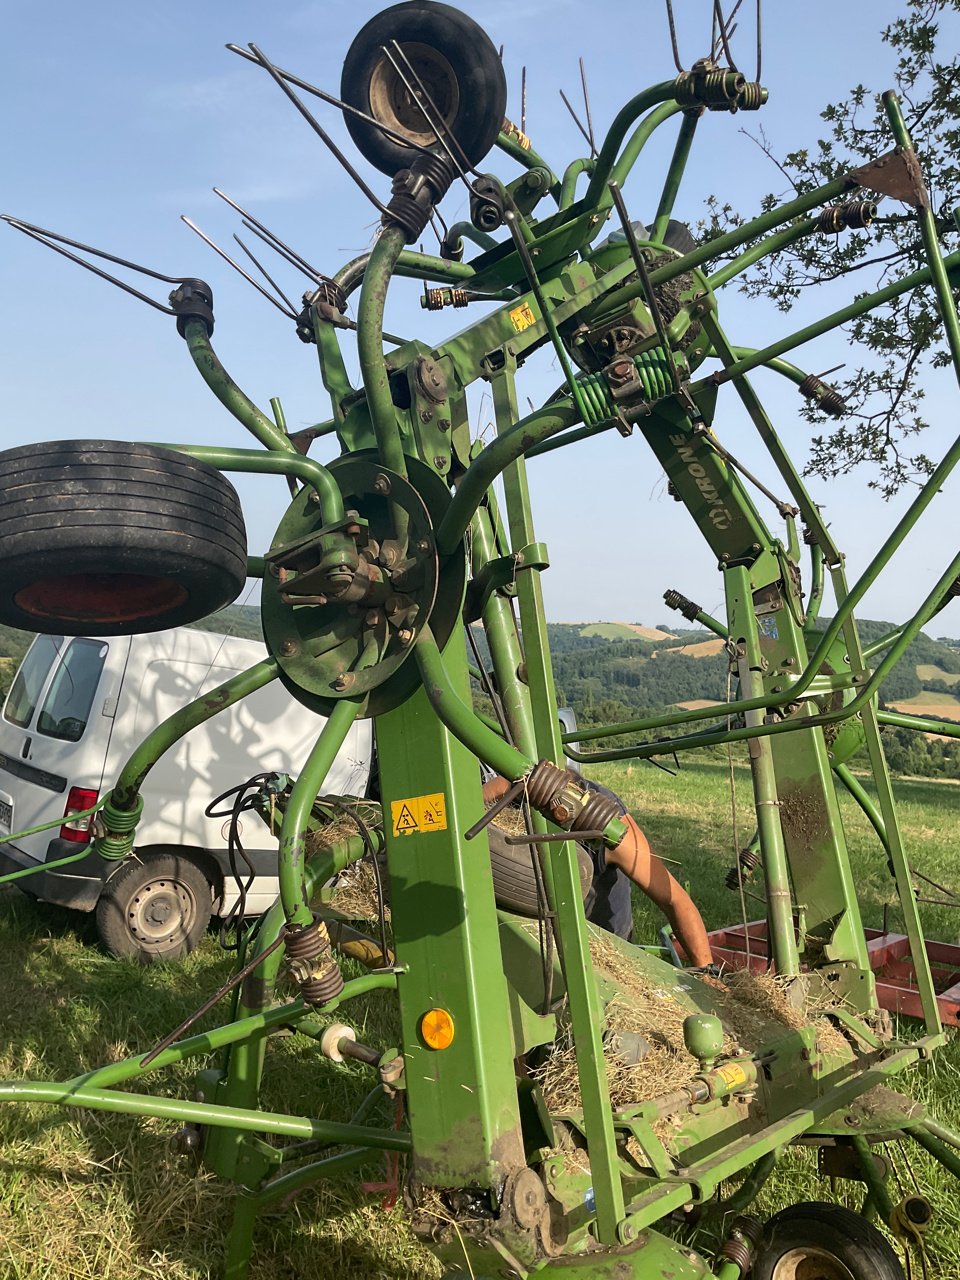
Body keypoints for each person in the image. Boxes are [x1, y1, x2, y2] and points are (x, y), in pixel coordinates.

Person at [481, 773, 713, 968]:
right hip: (523, 942)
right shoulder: (501, 798)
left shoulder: (608, 824)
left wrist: (706, 973)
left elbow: (675, 901)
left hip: (604, 952)